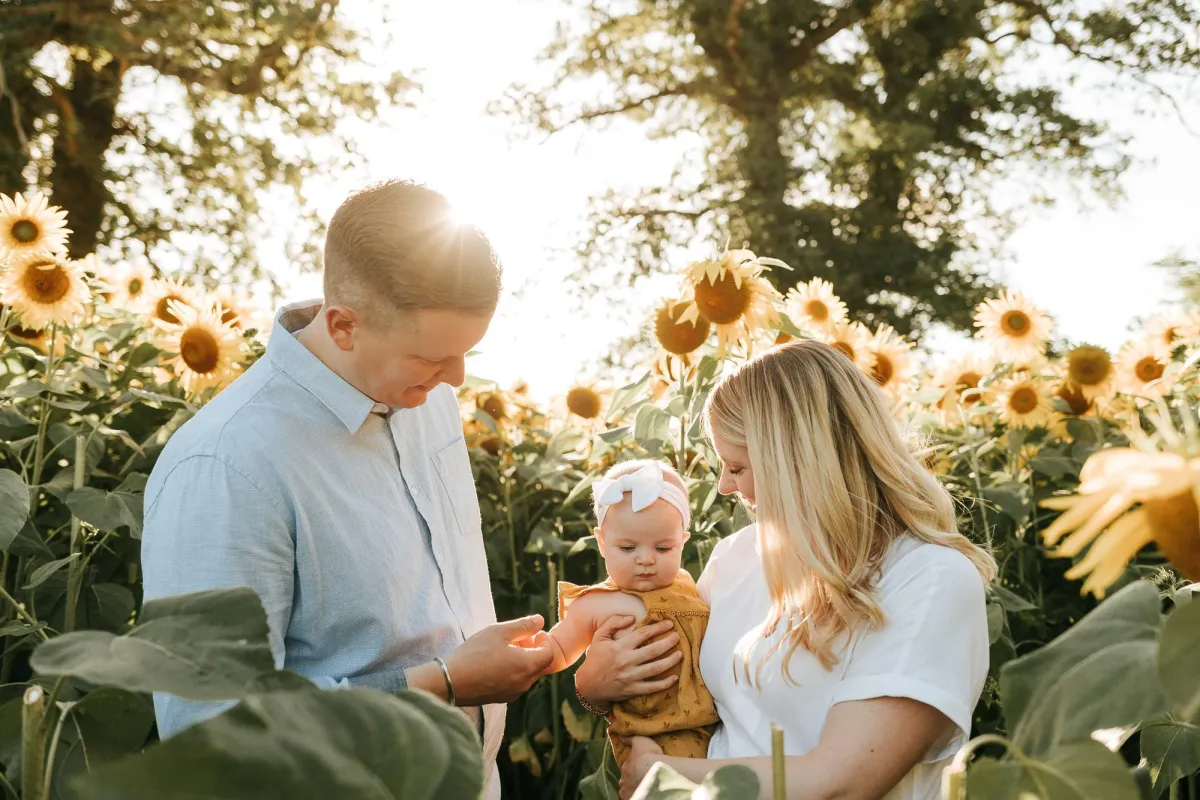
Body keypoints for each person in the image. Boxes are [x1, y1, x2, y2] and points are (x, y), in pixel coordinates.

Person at [141, 179, 553, 800]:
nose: (457, 379)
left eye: (466, 353)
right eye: (432, 357)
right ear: (342, 326)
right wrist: (443, 681)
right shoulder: (225, 466)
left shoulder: (426, 398)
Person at [575, 340, 996, 800]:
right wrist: (595, 687)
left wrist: (664, 773)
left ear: (796, 461)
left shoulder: (929, 579)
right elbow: (684, 698)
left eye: (736, 466)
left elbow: (842, 782)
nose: (723, 486)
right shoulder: (737, 556)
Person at [543, 459, 719, 767]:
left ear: (683, 542)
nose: (646, 560)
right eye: (628, 549)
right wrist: (527, 651)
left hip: (711, 731)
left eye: (663, 549)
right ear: (601, 542)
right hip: (645, 738)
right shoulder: (597, 603)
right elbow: (556, 649)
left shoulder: (689, 587)